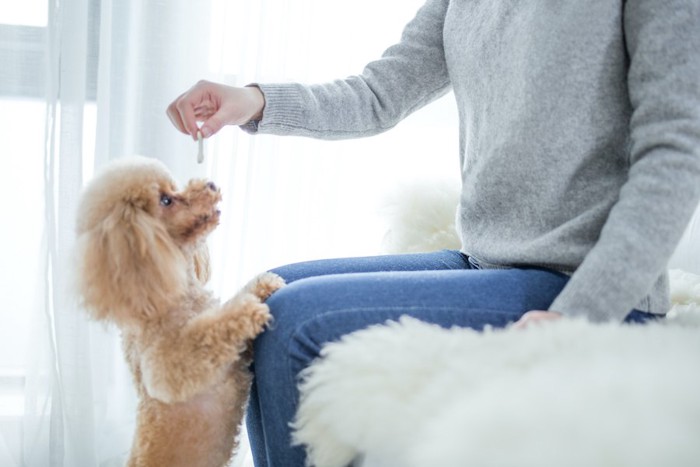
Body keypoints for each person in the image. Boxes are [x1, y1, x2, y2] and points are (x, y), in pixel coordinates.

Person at [167, 1, 700, 465]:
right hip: (488, 263)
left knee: (289, 319)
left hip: (577, 284)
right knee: (270, 290)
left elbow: (677, 157)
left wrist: (579, 314)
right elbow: (377, 94)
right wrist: (253, 101)